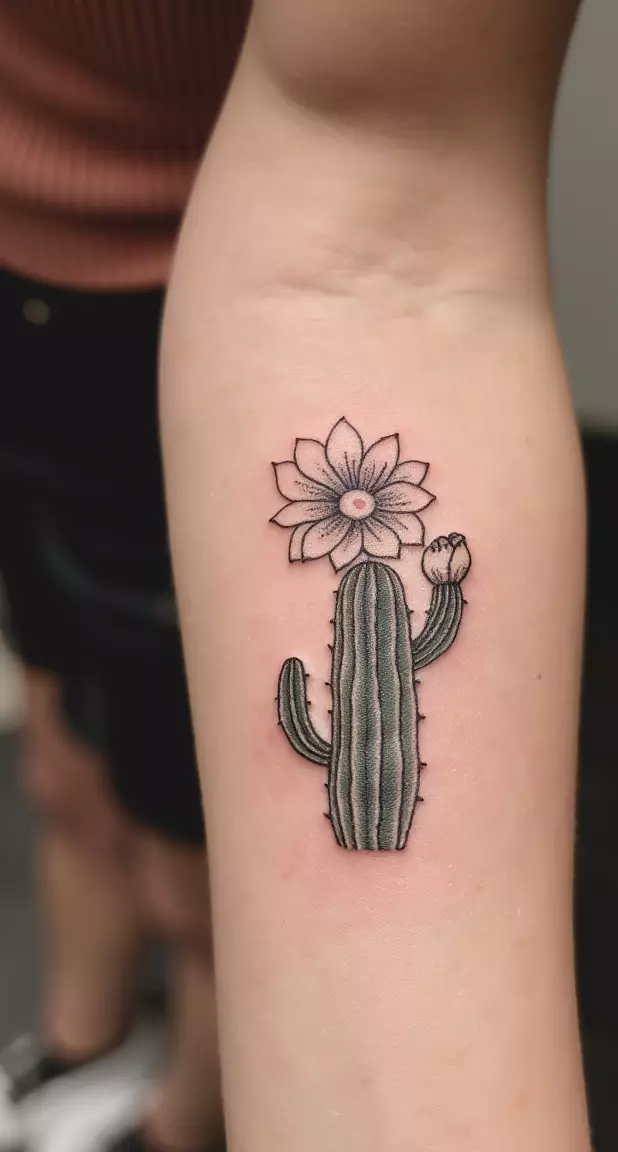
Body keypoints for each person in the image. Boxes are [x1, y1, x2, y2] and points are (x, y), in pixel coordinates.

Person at [161, 0, 591, 1148]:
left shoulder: (368, 587)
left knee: (159, 801)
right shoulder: (368, 597)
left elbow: (381, 243)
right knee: (87, 765)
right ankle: (114, 1049)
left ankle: (169, 1095)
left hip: (238, 305)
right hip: (38, 288)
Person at [0, 4, 249, 1151]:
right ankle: (75, 1055)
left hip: (185, 305)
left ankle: (175, 1128)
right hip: (22, 285)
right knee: (60, 750)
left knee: (197, 851)